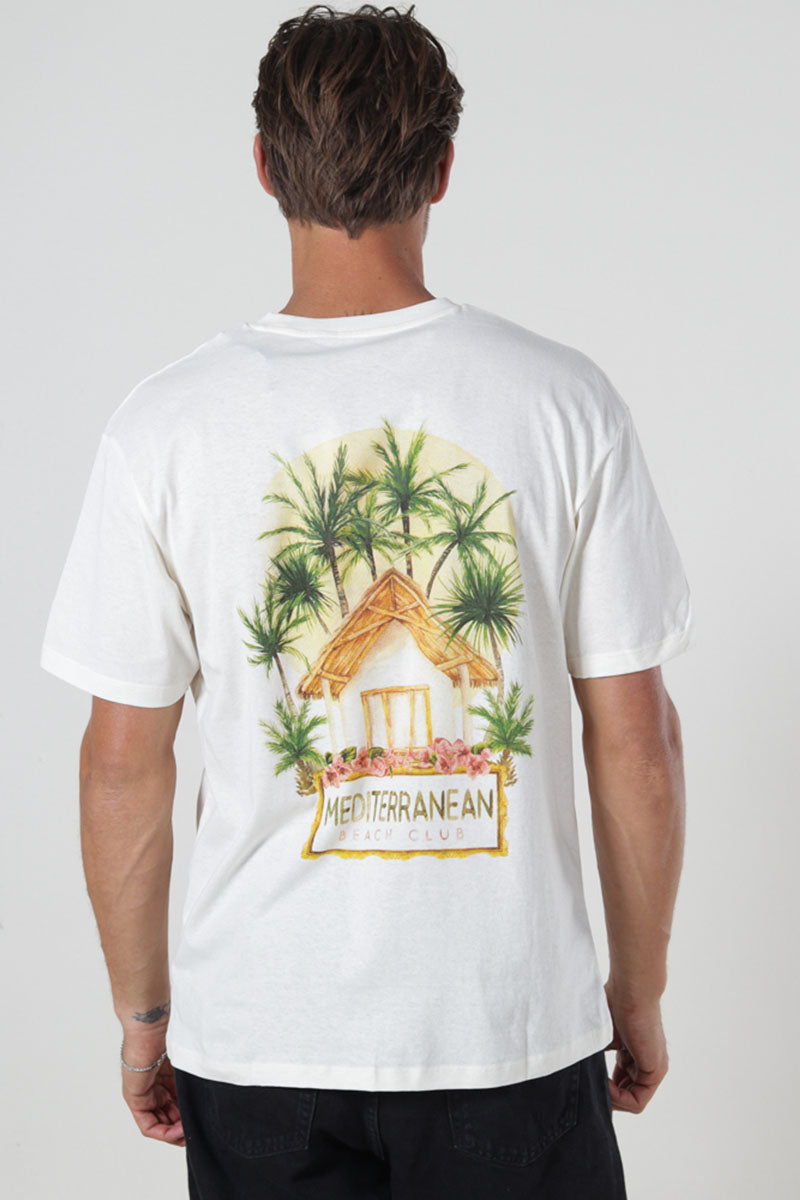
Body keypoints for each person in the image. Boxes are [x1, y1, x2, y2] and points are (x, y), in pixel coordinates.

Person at [39, 4, 694, 1197]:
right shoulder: (561, 403)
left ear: (261, 166)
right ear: (441, 168)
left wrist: (144, 1017)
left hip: (258, 1040)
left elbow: (121, 764)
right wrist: (635, 992)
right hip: (506, 1032)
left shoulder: (165, 426)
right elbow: (636, 740)